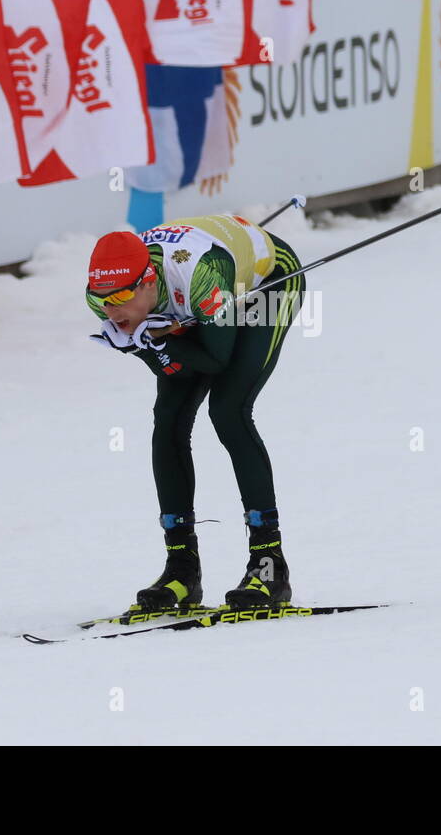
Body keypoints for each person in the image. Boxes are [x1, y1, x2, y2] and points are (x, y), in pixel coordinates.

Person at [85, 213, 305, 611]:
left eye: (119, 298)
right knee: (168, 421)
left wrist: (153, 343)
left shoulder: (200, 273)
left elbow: (214, 359)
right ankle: (181, 568)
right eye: (101, 299)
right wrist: (150, 345)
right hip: (196, 304)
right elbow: (168, 360)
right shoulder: (107, 296)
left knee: (228, 411)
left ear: (148, 281)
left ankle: (269, 565)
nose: (109, 309)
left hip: (265, 284)